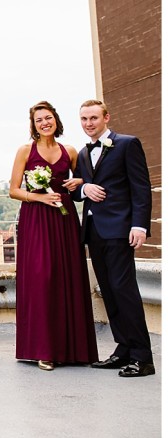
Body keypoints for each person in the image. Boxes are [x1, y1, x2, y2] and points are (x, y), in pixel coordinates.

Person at [9, 101, 97, 371]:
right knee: (42, 277)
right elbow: (13, 190)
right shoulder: (25, 150)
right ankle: (42, 350)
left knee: (66, 276)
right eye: (39, 120)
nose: (44, 123)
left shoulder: (70, 151)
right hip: (36, 219)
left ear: (56, 121)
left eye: (48, 118)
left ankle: (73, 349)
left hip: (64, 218)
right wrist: (39, 197)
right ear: (33, 125)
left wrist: (78, 182)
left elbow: (82, 181)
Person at [73, 99, 153, 378]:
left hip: (120, 230)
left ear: (106, 117)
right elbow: (75, 190)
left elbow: (141, 187)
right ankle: (123, 349)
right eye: (84, 119)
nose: (88, 123)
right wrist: (84, 189)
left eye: (93, 118)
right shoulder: (83, 153)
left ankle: (143, 357)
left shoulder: (127, 144)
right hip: (94, 231)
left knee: (124, 290)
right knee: (108, 289)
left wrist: (140, 226)